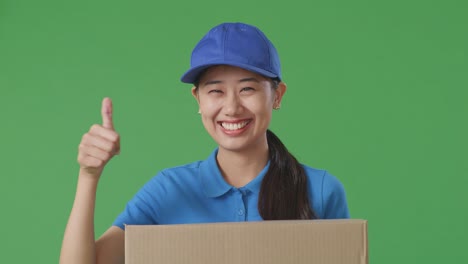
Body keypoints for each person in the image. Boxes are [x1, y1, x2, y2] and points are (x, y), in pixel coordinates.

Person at [59, 22, 349, 264]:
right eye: (216, 91)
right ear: (198, 99)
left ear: (277, 95)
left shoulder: (321, 190)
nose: (232, 107)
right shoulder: (169, 190)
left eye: (247, 88)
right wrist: (89, 176)